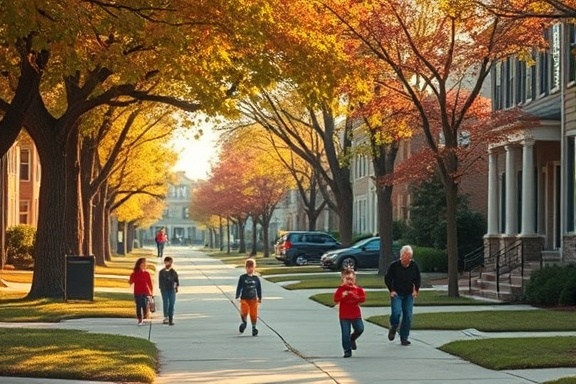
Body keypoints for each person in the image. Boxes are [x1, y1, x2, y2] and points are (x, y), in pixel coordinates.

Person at [384, 245, 421, 346]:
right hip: (397, 293)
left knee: (408, 316)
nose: (406, 257)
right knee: (396, 312)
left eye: (409, 255)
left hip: (408, 294)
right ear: (401, 255)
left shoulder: (414, 266)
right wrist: (391, 290)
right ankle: (394, 326)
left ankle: (404, 337)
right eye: (404, 255)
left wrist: (416, 290)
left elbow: (417, 279)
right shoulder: (394, 266)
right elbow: (388, 278)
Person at [333, 268, 366, 358]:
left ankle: (352, 338)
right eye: (347, 279)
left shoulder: (358, 289)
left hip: (355, 314)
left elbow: (362, 299)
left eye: (351, 279)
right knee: (345, 333)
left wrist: (355, 297)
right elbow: (336, 299)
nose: (349, 281)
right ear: (343, 279)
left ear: (354, 279)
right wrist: (343, 296)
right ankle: (347, 350)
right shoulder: (341, 289)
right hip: (344, 315)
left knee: (360, 328)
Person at [235, 258, 262, 336]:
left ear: (254, 267)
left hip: (253, 299)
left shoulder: (256, 278)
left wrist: (260, 297)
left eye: (251, 267)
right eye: (248, 267)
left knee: (254, 313)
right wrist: (237, 296)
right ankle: (244, 322)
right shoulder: (242, 277)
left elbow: (258, 288)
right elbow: (239, 287)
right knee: (244, 311)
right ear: (245, 268)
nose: (250, 269)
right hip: (244, 298)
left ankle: (254, 327)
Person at [128, 257, 153, 326]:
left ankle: (145, 314)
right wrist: (131, 280)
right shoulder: (134, 274)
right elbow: (131, 281)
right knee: (138, 306)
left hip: (145, 292)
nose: (144, 265)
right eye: (142, 263)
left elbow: (150, 284)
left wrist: (151, 293)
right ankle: (140, 319)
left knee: (144, 305)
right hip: (137, 292)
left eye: (145, 263)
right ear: (139, 264)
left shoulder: (147, 274)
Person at [159, 256, 180, 326]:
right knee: (165, 303)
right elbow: (160, 282)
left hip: (172, 290)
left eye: (170, 262)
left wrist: (176, 287)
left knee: (172, 303)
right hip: (164, 290)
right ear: (165, 262)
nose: (168, 263)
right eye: (167, 262)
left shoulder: (174, 272)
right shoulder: (161, 272)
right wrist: (162, 288)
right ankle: (166, 317)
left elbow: (176, 281)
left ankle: (171, 318)